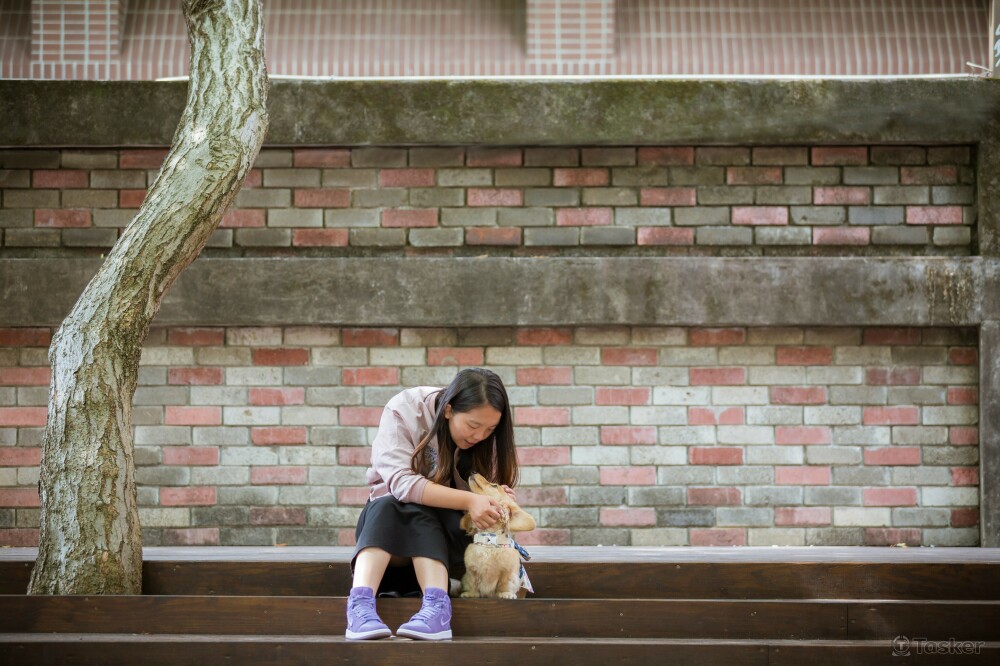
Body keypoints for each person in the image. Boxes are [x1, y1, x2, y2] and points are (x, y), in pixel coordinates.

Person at [345, 367, 520, 641]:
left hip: (450, 539)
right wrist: (470, 499)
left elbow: (487, 494)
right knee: (390, 504)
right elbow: (401, 484)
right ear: (448, 409)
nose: (480, 436)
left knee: (417, 511)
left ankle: (433, 608)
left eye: (490, 429)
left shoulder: (487, 439)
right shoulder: (405, 409)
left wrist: (496, 500)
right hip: (389, 537)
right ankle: (362, 607)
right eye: (473, 426)